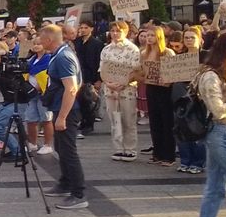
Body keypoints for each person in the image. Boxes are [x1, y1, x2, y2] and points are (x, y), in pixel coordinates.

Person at [39, 25, 87, 209]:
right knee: (60, 147)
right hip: (59, 107)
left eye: (41, 39)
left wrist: (62, 117)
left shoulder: (63, 57)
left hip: (67, 110)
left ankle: (78, 194)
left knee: (68, 150)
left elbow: (71, 88)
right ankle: (65, 183)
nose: (39, 42)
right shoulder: (58, 54)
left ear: (49, 39)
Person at [193, 32, 226, 217]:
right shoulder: (210, 76)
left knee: (216, 186)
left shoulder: (225, 73)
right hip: (220, 131)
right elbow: (218, 110)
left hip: (225, 131)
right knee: (216, 185)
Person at [99, 20, 141, 162]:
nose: (115, 34)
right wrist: (108, 83)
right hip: (110, 90)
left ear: (125, 32)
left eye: (118, 31)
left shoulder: (133, 49)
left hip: (127, 90)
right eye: (113, 31)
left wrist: (123, 83)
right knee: (114, 120)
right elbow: (102, 70)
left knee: (128, 120)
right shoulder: (106, 49)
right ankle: (118, 148)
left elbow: (136, 71)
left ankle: (130, 149)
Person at [141, 26, 176, 166]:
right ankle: (157, 153)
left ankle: (169, 155)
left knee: (166, 122)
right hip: (151, 88)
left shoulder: (167, 52)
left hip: (165, 90)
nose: (149, 38)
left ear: (159, 37)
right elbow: (141, 71)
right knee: (154, 121)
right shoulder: (144, 53)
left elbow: (174, 72)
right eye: (147, 35)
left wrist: (167, 79)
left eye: (152, 35)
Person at [174, 27, 208, 174]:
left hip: (200, 97)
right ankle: (185, 160)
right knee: (181, 128)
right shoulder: (179, 57)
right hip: (182, 97)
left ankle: (198, 162)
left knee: (198, 128)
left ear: (200, 39)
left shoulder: (206, 56)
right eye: (186, 37)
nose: (188, 40)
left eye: (192, 37)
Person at [74, 19, 104, 137]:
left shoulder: (97, 43)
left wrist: (99, 79)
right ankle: (83, 121)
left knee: (89, 101)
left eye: (86, 28)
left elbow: (99, 62)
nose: (83, 30)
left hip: (91, 74)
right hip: (79, 74)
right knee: (81, 100)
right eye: (81, 28)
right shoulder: (77, 42)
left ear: (91, 29)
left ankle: (89, 125)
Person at [25, 36, 54, 155]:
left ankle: (48, 145)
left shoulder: (49, 58)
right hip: (31, 93)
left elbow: (48, 76)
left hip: (43, 93)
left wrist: (39, 86)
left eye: (39, 44)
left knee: (46, 119)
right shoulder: (31, 59)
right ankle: (32, 143)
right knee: (30, 119)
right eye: (34, 44)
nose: (36, 46)